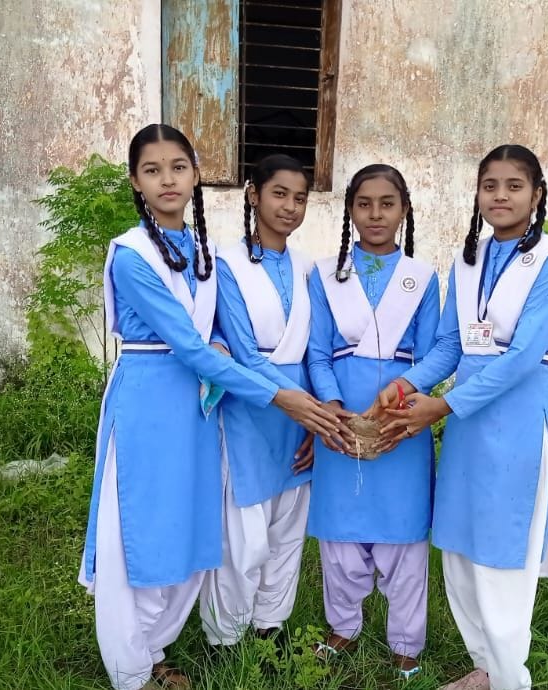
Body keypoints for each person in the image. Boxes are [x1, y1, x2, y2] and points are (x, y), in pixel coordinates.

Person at [78, 124, 346, 690]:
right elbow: (191, 345)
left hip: (199, 408)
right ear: (135, 181)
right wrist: (278, 394)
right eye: (152, 170)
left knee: (193, 524)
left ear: (196, 174)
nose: (167, 180)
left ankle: (157, 648)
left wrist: (226, 349)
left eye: (178, 167)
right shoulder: (132, 255)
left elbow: (213, 332)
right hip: (151, 402)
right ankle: (132, 668)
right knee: (145, 526)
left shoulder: (199, 251)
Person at [375, 145, 548, 690]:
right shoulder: (469, 260)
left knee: (500, 555)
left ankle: (512, 679)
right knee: (461, 550)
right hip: (468, 422)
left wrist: (442, 406)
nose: (500, 196)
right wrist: (407, 384)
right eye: (490, 185)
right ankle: (485, 670)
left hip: (515, 418)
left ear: (537, 194)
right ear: (478, 194)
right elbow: (451, 345)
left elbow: (522, 356)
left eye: (514, 186)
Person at [305, 164, 439, 680]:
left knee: (403, 531)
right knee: (340, 530)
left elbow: (438, 352)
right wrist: (332, 405)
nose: (375, 214)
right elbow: (318, 353)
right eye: (364, 203)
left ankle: (406, 640)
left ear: (404, 209)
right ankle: (343, 625)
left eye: (387, 203)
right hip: (341, 416)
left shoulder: (422, 278)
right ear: (350, 210)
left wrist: (405, 393)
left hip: (401, 416)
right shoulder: (325, 275)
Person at [199, 154, 318, 646]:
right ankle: (226, 637)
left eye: (300, 198)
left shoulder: (308, 267)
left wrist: (314, 418)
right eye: (279, 194)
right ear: (253, 195)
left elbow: (315, 349)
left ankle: (271, 627)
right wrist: (298, 403)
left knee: (288, 523)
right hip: (253, 404)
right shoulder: (225, 263)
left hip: (301, 409)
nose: (289, 207)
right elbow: (245, 353)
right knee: (243, 531)